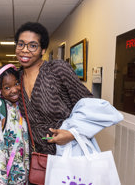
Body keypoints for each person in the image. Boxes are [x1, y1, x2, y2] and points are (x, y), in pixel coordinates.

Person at [14, 22, 94, 155]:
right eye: (21, 44)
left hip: (66, 151)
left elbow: (89, 104)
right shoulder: (17, 78)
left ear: (43, 50)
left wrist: (72, 134)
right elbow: (0, 107)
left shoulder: (56, 69)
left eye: (33, 46)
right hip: (33, 154)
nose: (25, 50)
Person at [0, 64, 30, 185]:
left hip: (23, 172)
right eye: (7, 87)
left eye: (16, 84)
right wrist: (1, 180)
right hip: (3, 173)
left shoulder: (23, 104)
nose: (14, 90)